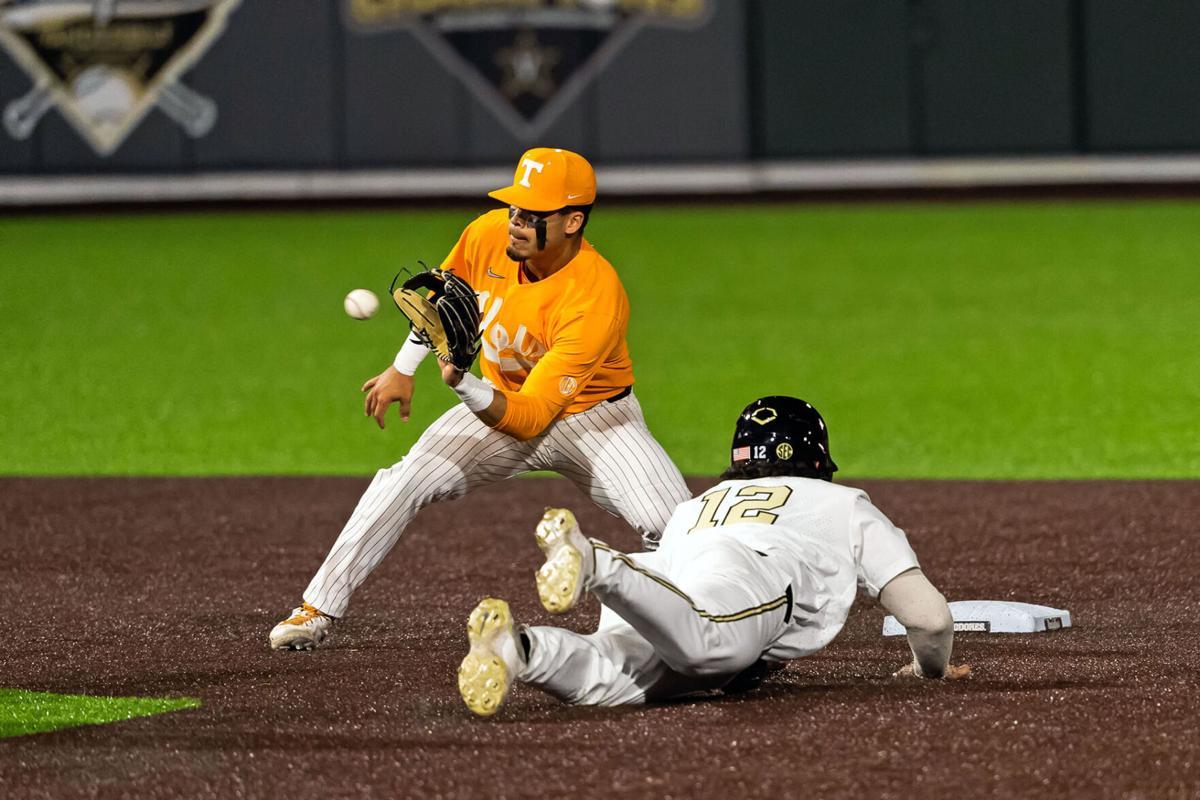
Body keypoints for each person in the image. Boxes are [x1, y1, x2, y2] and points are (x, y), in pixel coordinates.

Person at [269, 148, 691, 650]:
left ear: (573, 220)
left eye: (534, 215)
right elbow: (444, 303)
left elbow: (533, 418)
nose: (516, 223)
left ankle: (697, 637)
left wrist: (463, 383)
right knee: (403, 480)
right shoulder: (487, 233)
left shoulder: (595, 296)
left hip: (597, 421)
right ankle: (316, 608)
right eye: (515, 208)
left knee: (680, 527)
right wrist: (403, 369)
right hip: (497, 403)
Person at [457, 396, 970, 715]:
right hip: (745, 575)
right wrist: (932, 671)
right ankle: (596, 562)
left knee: (608, 678)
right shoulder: (841, 501)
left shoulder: (698, 503)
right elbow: (929, 618)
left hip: (665, 572)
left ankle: (519, 650)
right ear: (817, 458)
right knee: (708, 648)